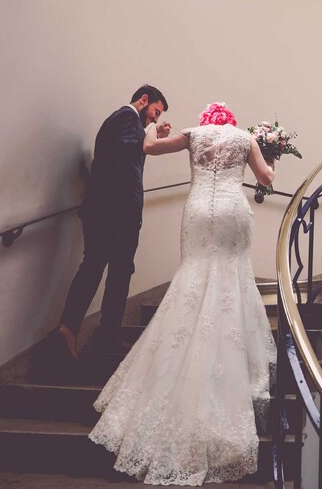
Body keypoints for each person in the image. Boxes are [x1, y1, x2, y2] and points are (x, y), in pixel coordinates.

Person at [88, 103, 277, 485]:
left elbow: (148, 149)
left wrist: (153, 127)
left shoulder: (192, 135)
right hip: (232, 212)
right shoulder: (246, 138)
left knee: (194, 275)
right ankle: (234, 361)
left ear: (209, 121)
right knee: (232, 278)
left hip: (198, 212)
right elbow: (267, 179)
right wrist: (270, 156)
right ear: (232, 123)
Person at [55, 85, 171, 358]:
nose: (155, 118)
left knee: (99, 268)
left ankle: (78, 331)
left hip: (107, 210)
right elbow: (126, 148)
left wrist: (150, 135)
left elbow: (124, 155)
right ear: (143, 100)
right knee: (116, 273)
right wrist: (150, 134)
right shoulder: (126, 117)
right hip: (116, 213)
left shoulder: (128, 124)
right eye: (155, 111)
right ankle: (89, 334)